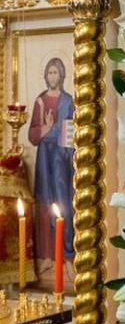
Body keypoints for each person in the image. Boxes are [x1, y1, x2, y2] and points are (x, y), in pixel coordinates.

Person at [28, 58, 75, 278]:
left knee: (63, 203)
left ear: (62, 75)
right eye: (50, 72)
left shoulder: (68, 101)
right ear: (46, 76)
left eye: (56, 72)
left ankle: (67, 256)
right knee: (45, 202)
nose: (52, 76)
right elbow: (33, 135)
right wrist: (46, 129)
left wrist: (51, 130)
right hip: (44, 157)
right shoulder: (40, 100)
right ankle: (48, 256)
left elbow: (71, 130)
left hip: (61, 158)